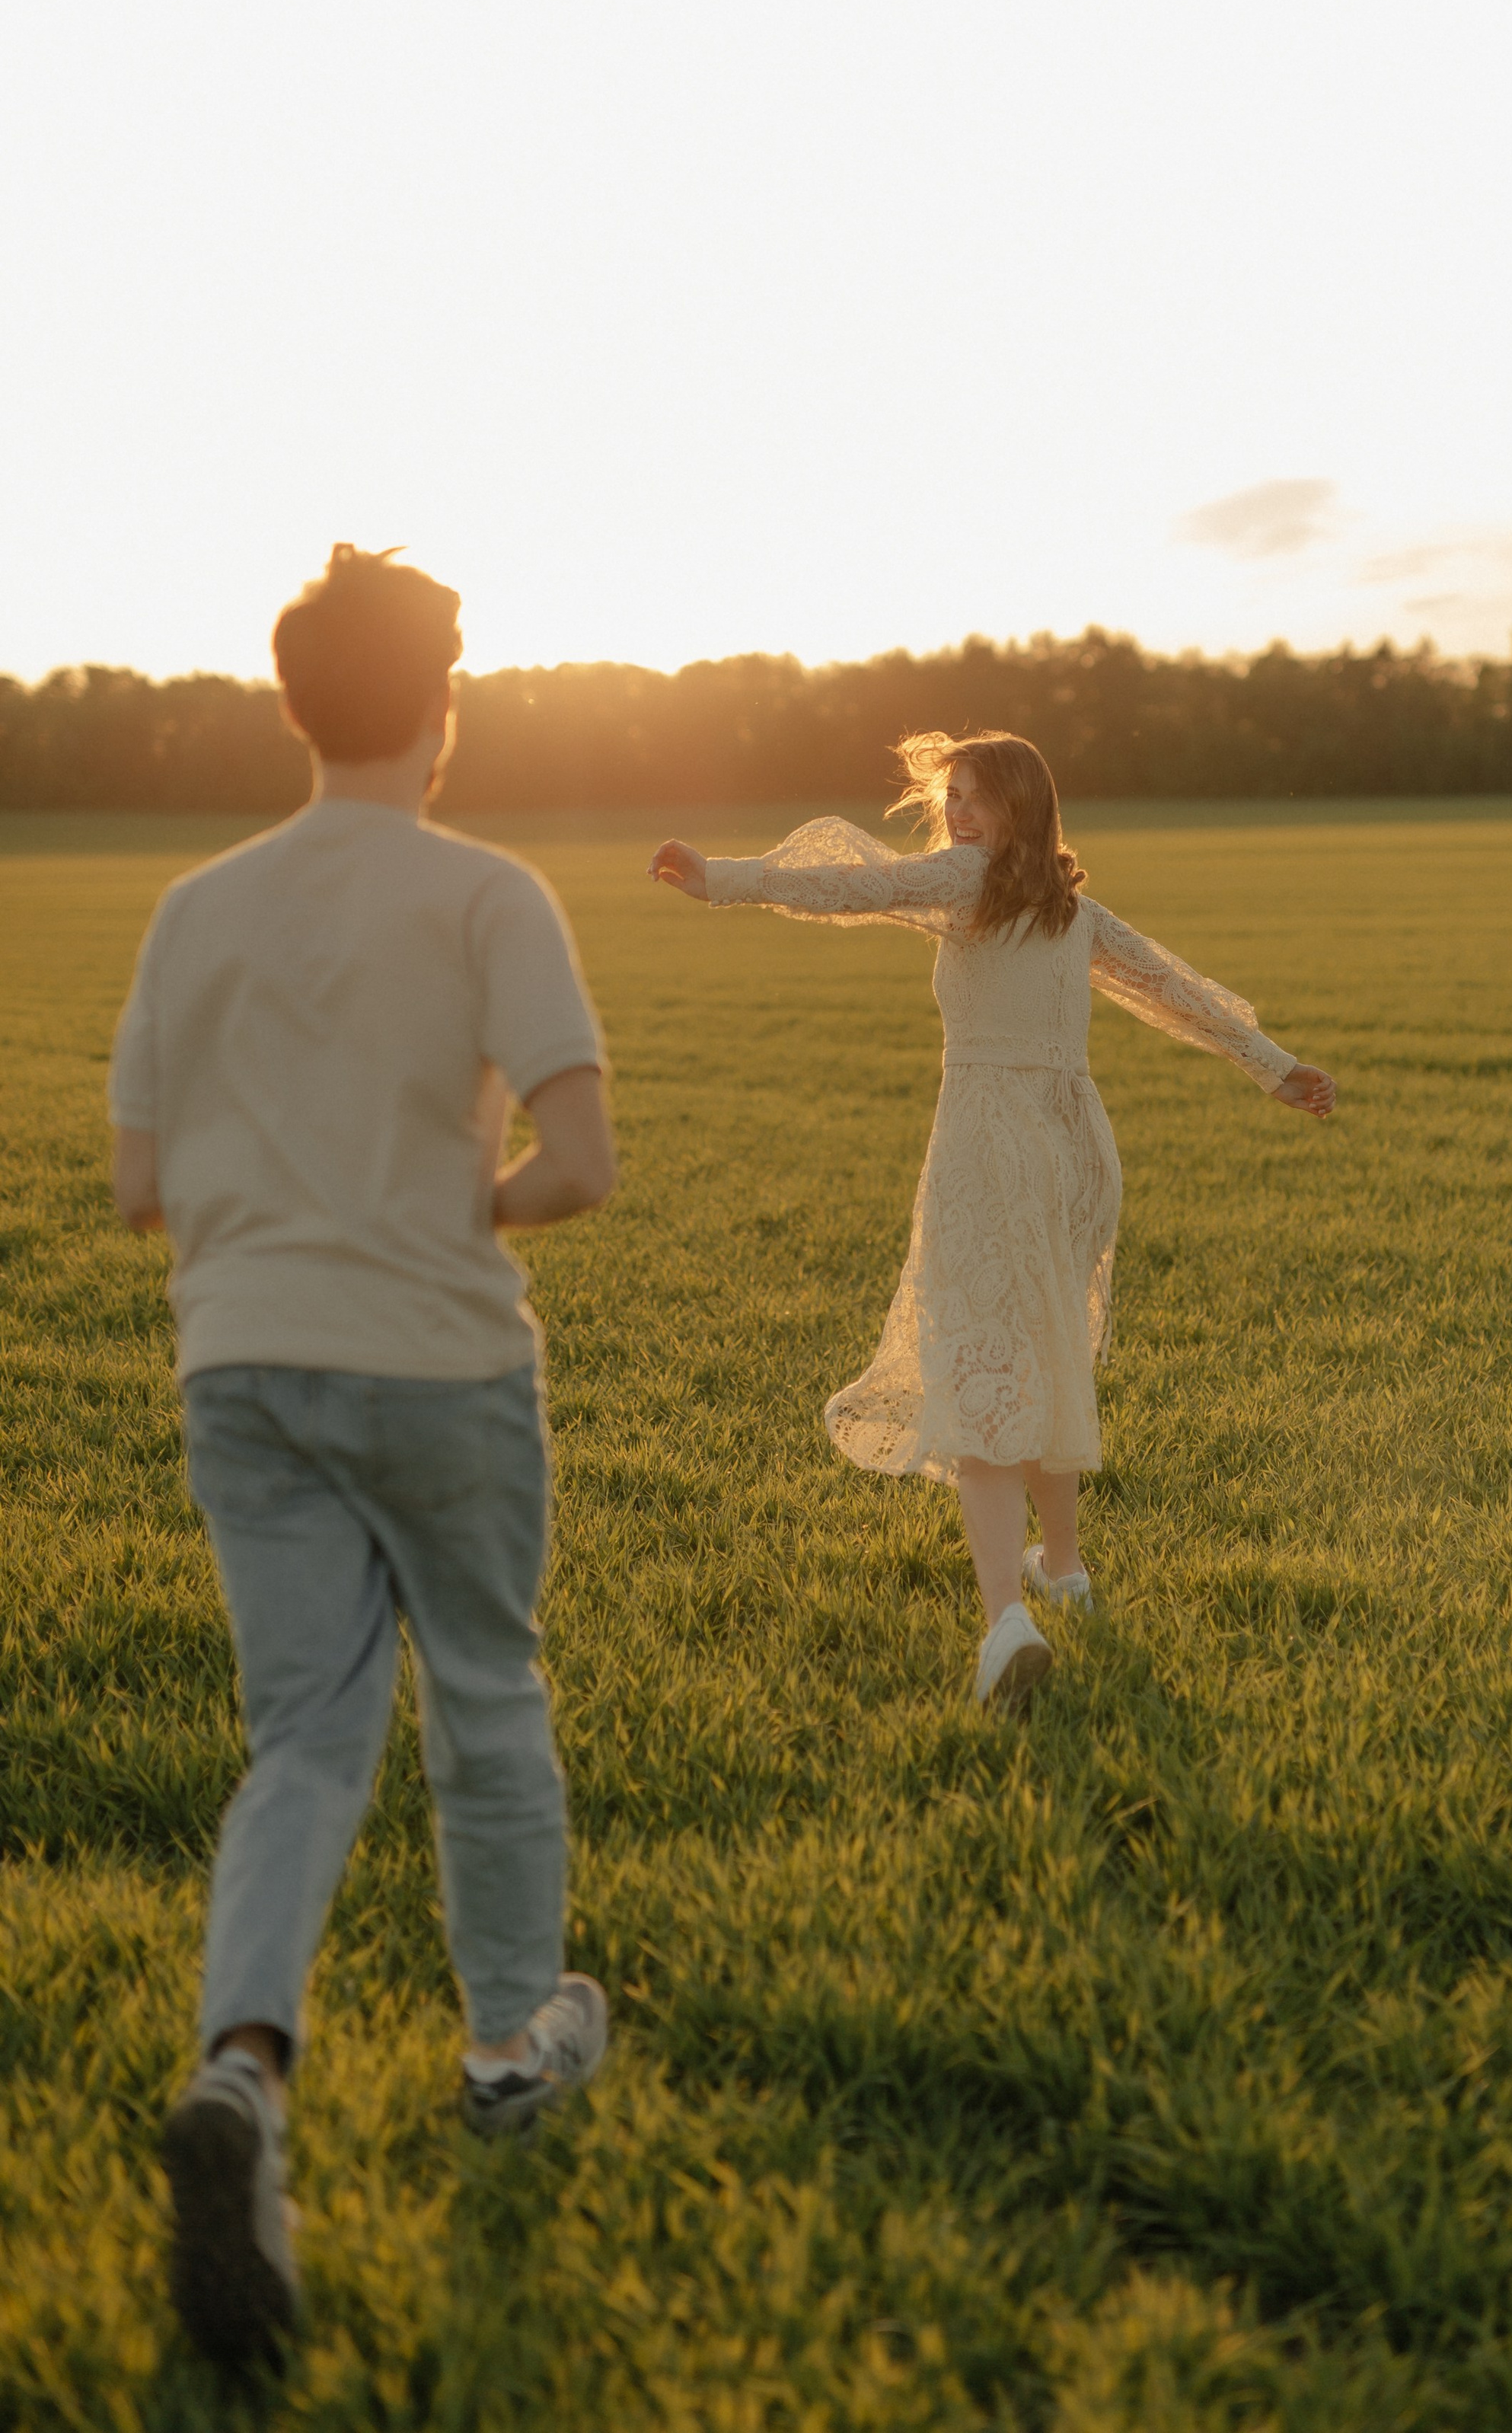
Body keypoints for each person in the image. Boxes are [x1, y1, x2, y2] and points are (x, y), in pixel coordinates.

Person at [109, 545, 616, 2373]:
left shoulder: (193, 907)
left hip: (240, 1362)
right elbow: (580, 1162)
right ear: (442, 708)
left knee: (303, 1737)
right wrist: (462, 1201)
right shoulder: (487, 895)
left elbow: (135, 1182)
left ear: (292, 706)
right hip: (438, 1358)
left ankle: (241, 2069)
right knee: (483, 1681)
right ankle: (501, 2054)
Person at [651, 730, 1335, 1710]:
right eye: (951, 798)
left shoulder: (971, 886)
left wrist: (723, 877)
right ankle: (1066, 1569)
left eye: (974, 797)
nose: (959, 814)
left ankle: (1005, 1622)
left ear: (1022, 802)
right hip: (1075, 1145)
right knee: (1049, 1353)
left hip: (995, 1145)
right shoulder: (1077, 914)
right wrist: (1274, 1068)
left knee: (982, 1371)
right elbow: (1172, 991)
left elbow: (859, 885)